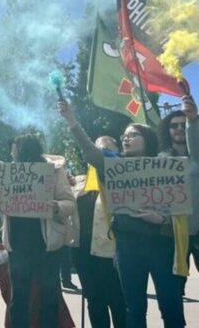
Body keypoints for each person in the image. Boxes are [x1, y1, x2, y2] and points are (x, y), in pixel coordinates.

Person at [59, 98, 194, 328]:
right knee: (134, 308)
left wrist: (161, 220)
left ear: (148, 140)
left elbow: (181, 208)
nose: (126, 138)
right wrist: (72, 121)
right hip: (127, 247)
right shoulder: (115, 167)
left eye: (133, 135)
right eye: (124, 136)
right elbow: (92, 153)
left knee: (170, 306)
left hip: (162, 245)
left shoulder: (167, 166)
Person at [0, 129, 77, 328]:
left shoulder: (54, 171)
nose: (11, 154)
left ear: (21, 150)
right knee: (18, 299)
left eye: (13, 150)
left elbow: (69, 203)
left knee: (49, 298)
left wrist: (55, 206)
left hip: (47, 247)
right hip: (18, 247)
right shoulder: (10, 173)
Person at [71, 136, 126, 328]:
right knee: (94, 301)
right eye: (96, 149)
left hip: (110, 250)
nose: (99, 153)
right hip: (83, 251)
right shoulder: (79, 181)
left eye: (106, 149)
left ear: (118, 152)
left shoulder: (123, 178)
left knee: (118, 301)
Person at [159, 109, 199, 296]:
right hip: (172, 234)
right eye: (174, 125)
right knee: (174, 290)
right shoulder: (159, 160)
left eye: (184, 125)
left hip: (198, 230)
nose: (179, 128)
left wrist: (193, 121)